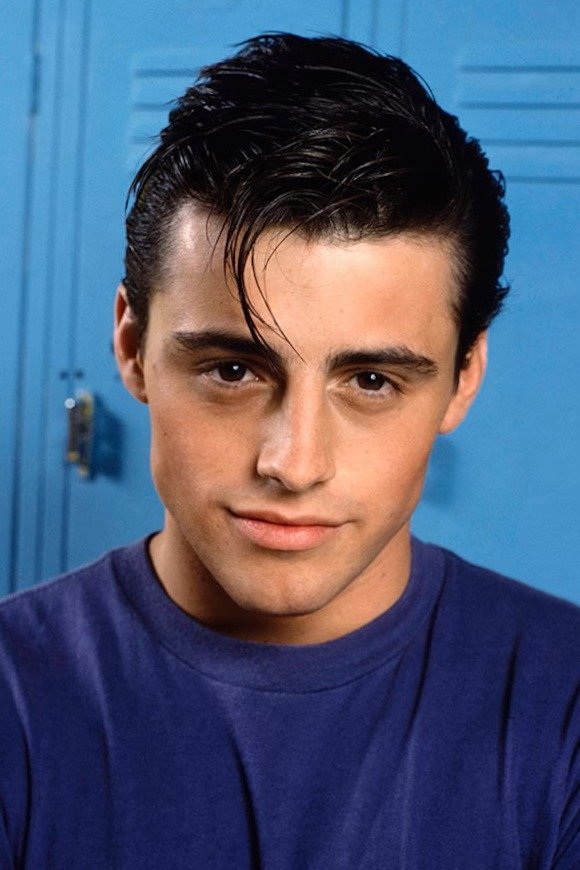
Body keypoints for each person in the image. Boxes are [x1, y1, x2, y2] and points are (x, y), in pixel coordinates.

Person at [0, 32, 578, 869]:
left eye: (372, 381)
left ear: (463, 380)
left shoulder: (565, 705)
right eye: (233, 370)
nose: (295, 463)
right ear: (132, 347)